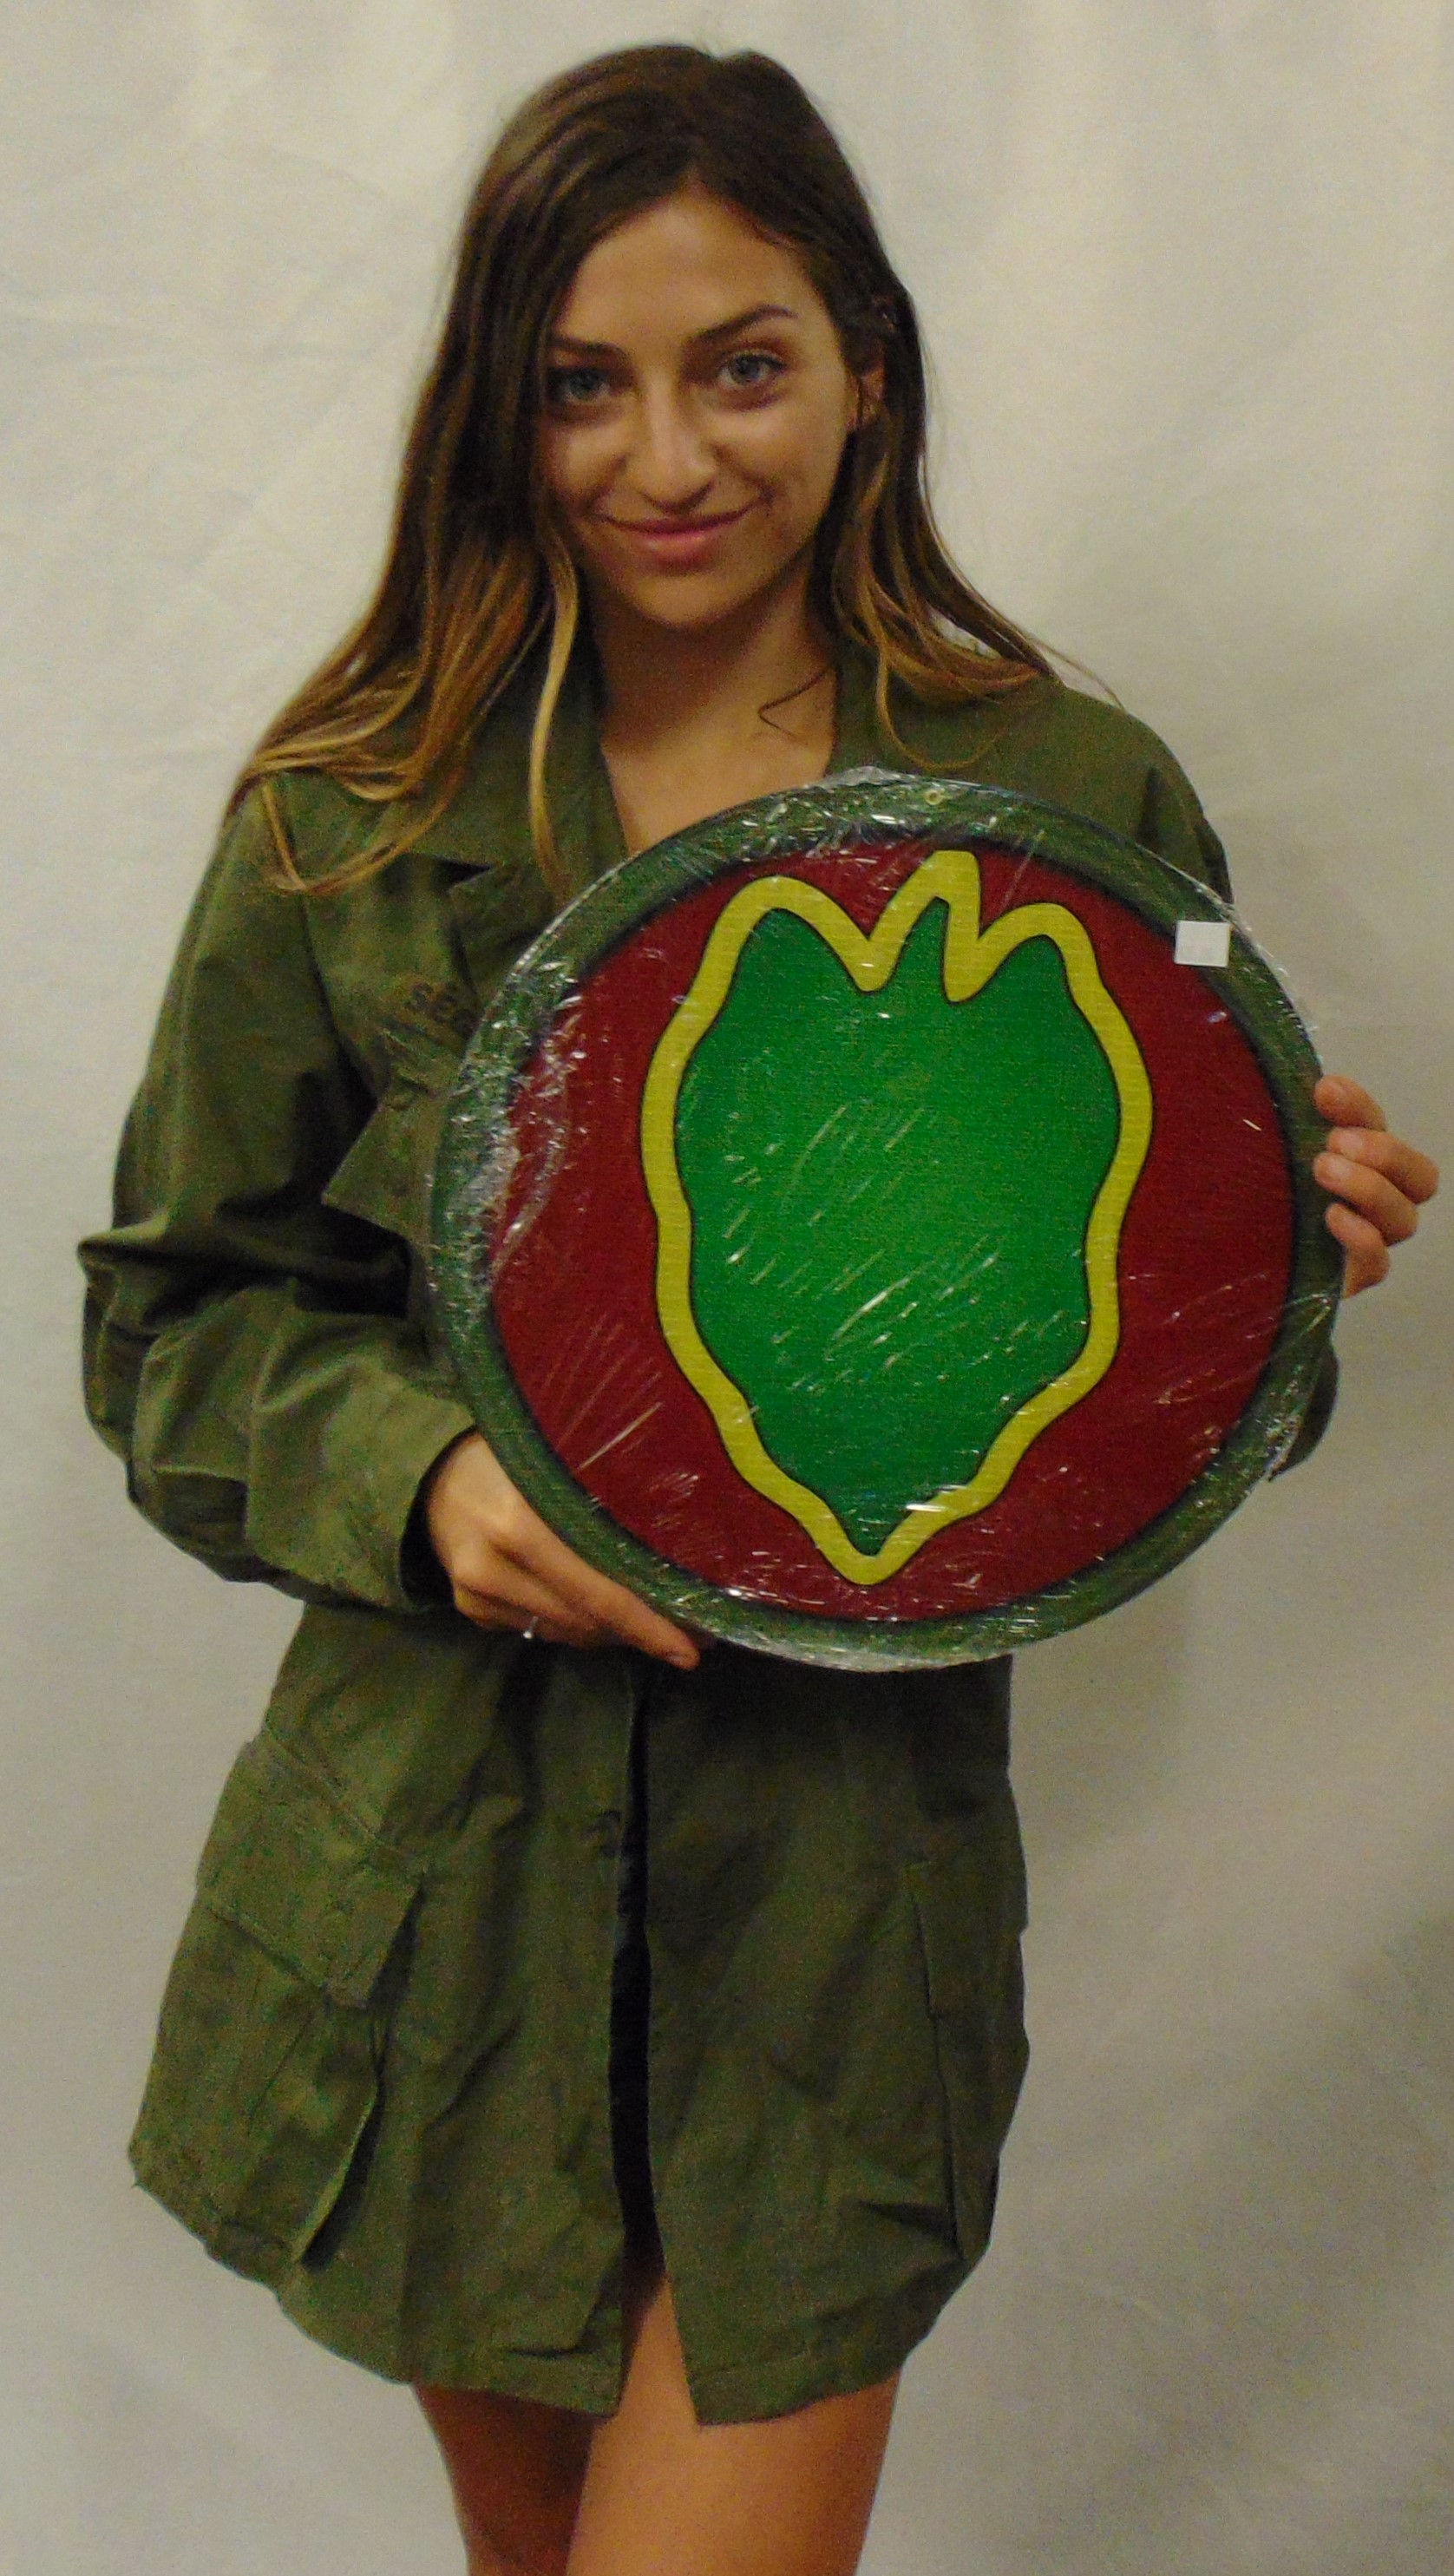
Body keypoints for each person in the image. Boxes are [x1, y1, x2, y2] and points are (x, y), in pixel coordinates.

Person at [80, 45, 1438, 2576]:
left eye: (741, 365)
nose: (667, 456)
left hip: (824, 1922)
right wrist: (425, 1475)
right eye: (581, 383)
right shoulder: (352, 813)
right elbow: (175, 1327)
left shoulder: (1066, 808)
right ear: (499, 406)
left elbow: (1133, 1404)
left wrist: (1270, 1269)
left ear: (864, 373)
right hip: (441, 1897)